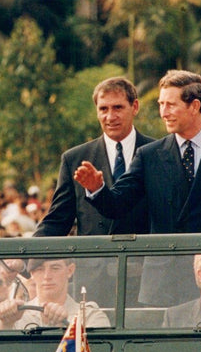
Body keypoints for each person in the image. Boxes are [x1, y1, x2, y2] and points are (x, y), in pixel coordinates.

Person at [73, 70, 201, 236]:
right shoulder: (148, 155)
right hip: (163, 270)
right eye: (161, 104)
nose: (163, 113)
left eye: (170, 105)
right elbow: (117, 206)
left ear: (195, 106)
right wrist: (97, 188)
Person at [34, 76, 153, 237]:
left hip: (143, 258)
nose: (110, 117)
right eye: (103, 109)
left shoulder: (157, 154)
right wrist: (24, 256)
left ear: (135, 107)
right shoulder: (74, 159)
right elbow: (57, 220)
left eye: (118, 107)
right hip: (95, 260)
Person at [0, 257, 110, 330]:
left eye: (55, 268)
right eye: (39, 269)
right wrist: (5, 323)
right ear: (32, 274)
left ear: (70, 271)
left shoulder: (89, 316)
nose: (47, 276)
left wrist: (64, 328)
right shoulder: (17, 315)